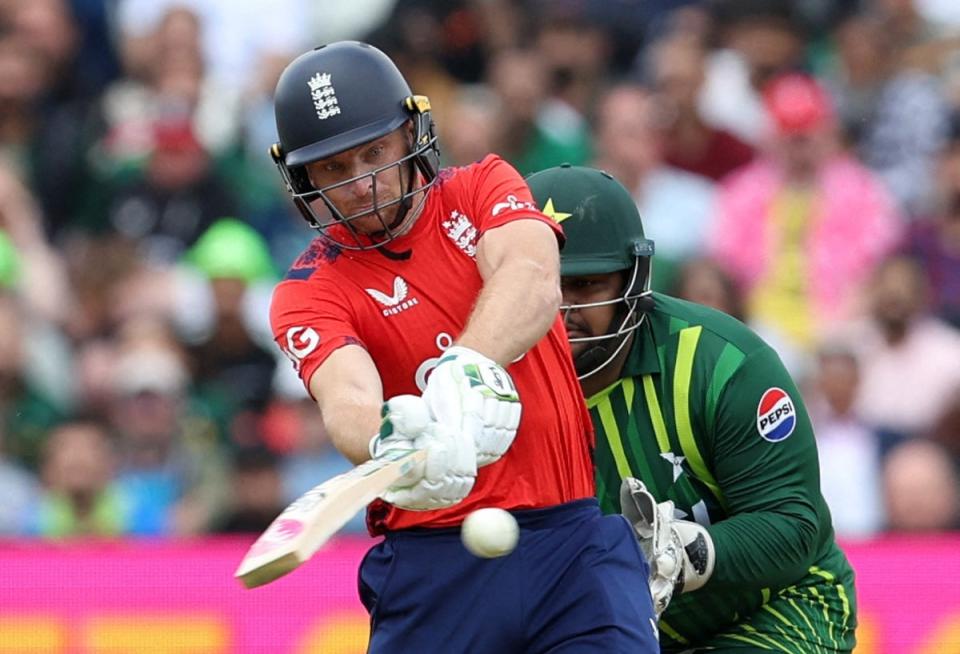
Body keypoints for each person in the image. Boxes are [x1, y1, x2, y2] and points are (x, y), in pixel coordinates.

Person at [267, 42, 658, 653]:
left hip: (571, 546)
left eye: (374, 152)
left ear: (411, 134)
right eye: (334, 169)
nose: (362, 184)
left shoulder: (482, 186)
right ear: (303, 178)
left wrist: (466, 367)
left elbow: (532, 276)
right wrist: (390, 437)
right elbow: (344, 397)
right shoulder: (307, 289)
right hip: (432, 565)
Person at [526, 164, 856, 653]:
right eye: (546, 283)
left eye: (587, 284)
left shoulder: (722, 363)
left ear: (632, 278)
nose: (563, 310)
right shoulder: (490, 384)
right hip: (626, 632)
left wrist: (683, 553)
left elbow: (792, 526)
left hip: (780, 610)